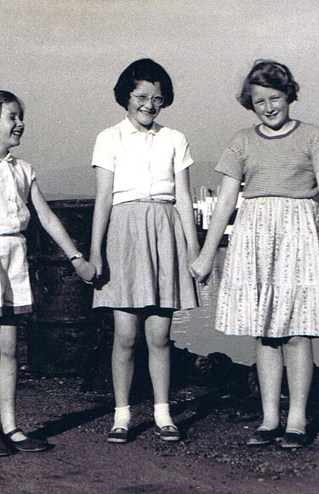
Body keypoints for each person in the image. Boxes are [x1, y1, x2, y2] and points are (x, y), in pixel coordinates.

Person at [190, 60, 319, 449]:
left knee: (297, 330)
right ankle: (268, 418)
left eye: (275, 98)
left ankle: (296, 419)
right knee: (264, 332)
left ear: (289, 95)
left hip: (300, 233)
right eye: (259, 100)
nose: (268, 107)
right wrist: (205, 254)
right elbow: (226, 200)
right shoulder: (241, 141)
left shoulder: (314, 137)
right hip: (254, 236)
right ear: (250, 103)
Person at [0, 90, 96, 457]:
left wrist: (76, 258)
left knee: (10, 350)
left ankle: (11, 426)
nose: (20, 123)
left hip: (14, 259)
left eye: (19, 116)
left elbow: (45, 217)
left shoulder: (23, 169)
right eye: (12, 116)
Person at [89, 59, 200, 444]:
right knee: (124, 335)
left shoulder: (175, 139)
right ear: (126, 97)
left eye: (157, 98)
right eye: (141, 97)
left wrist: (194, 251)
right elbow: (103, 198)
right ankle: (121, 416)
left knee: (160, 336)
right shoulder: (109, 138)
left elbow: (184, 198)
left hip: (166, 230)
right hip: (123, 232)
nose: (149, 105)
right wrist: (95, 253)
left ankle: (163, 414)